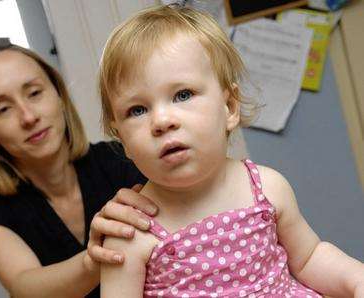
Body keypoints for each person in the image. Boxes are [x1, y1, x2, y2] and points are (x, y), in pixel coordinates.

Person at [98, 5, 364, 297]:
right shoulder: (129, 233)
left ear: (230, 107)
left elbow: (310, 257)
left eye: (182, 95)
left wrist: (356, 280)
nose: (161, 121)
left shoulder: (267, 187)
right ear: (122, 138)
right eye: (137, 110)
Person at [0, 37, 159, 298]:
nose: (28, 117)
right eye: (4, 109)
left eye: (34, 93)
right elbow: (23, 286)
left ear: (59, 95)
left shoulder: (121, 158)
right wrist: (92, 260)